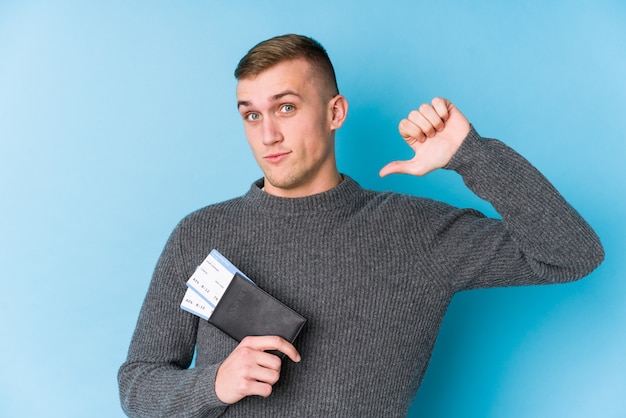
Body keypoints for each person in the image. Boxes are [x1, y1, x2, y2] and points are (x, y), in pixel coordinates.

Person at [118, 34, 604, 417]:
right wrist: (215, 383)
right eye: (251, 115)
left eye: (286, 107)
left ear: (335, 112)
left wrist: (472, 157)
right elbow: (137, 384)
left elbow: (572, 254)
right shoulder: (200, 234)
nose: (268, 134)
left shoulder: (416, 232)